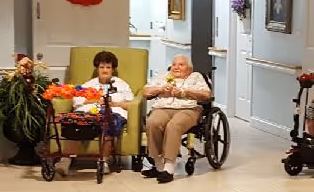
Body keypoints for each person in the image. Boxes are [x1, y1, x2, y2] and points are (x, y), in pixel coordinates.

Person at [57, 50, 134, 177]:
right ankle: (65, 161)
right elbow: (77, 101)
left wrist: (115, 104)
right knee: (76, 122)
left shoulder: (121, 84)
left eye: (108, 67)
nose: (105, 70)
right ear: (97, 68)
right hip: (90, 112)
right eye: (102, 67)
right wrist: (94, 99)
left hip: (112, 112)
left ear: (113, 69)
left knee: (110, 122)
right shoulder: (90, 84)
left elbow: (131, 104)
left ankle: (103, 161)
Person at [142, 55, 212, 183]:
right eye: (174, 64)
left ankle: (169, 168)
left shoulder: (196, 77)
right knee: (152, 122)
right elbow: (146, 92)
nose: (176, 67)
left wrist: (183, 92)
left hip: (188, 109)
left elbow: (206, 94)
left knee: (173, 125)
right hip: (163, 108)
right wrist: (160, 89)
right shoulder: (164, 77)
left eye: (181, 65)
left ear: (189, 68)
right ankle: (158, 165)